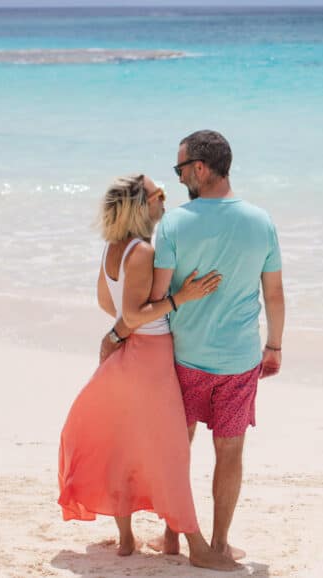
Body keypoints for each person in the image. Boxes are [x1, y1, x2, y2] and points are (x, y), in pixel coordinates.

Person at [108, 130, 285, 561]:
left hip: (185, 359)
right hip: (240, 360)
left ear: (200, 169)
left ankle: (172, 538)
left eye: (181, 169)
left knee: (177, 449)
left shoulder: (174, 224)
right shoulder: (262, 221)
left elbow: (159, 297)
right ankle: (220, 544)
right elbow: (274, 295)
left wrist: (119, 325)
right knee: (230, 452)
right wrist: (274, 347)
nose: (180, 178)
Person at [58, 174, 236, 571]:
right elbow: (136, 315)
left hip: (127, 360)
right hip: (151, 359)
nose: (164, 199)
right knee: (172, 454)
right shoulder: (140, 252)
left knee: (123, 448)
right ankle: (197, 546)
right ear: (143, 205)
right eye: (159, 195)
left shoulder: (113, 250)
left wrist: (123, 329)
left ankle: (126, 539)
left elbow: (108, 302)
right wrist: (180, 298)